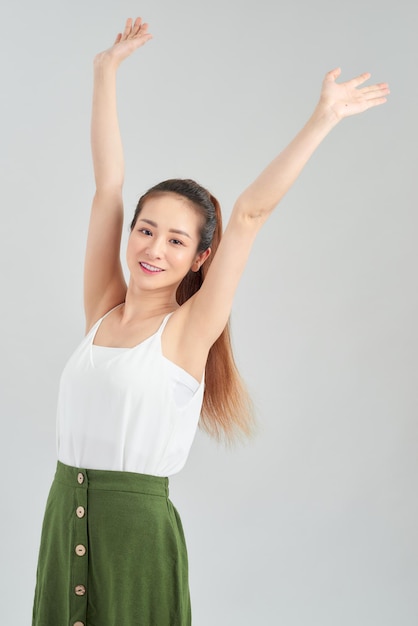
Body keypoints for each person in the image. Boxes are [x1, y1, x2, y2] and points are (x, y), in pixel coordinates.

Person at [32, 16, 389, 626]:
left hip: (137, 541)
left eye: (176, 240)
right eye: (146, 230)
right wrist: (104, 72)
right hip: (63, 519)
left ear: (200, 258)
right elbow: (108, 186)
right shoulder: (102, 310)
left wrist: (323, 117)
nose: (153, 248)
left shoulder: (188, 332)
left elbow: (248, 214)